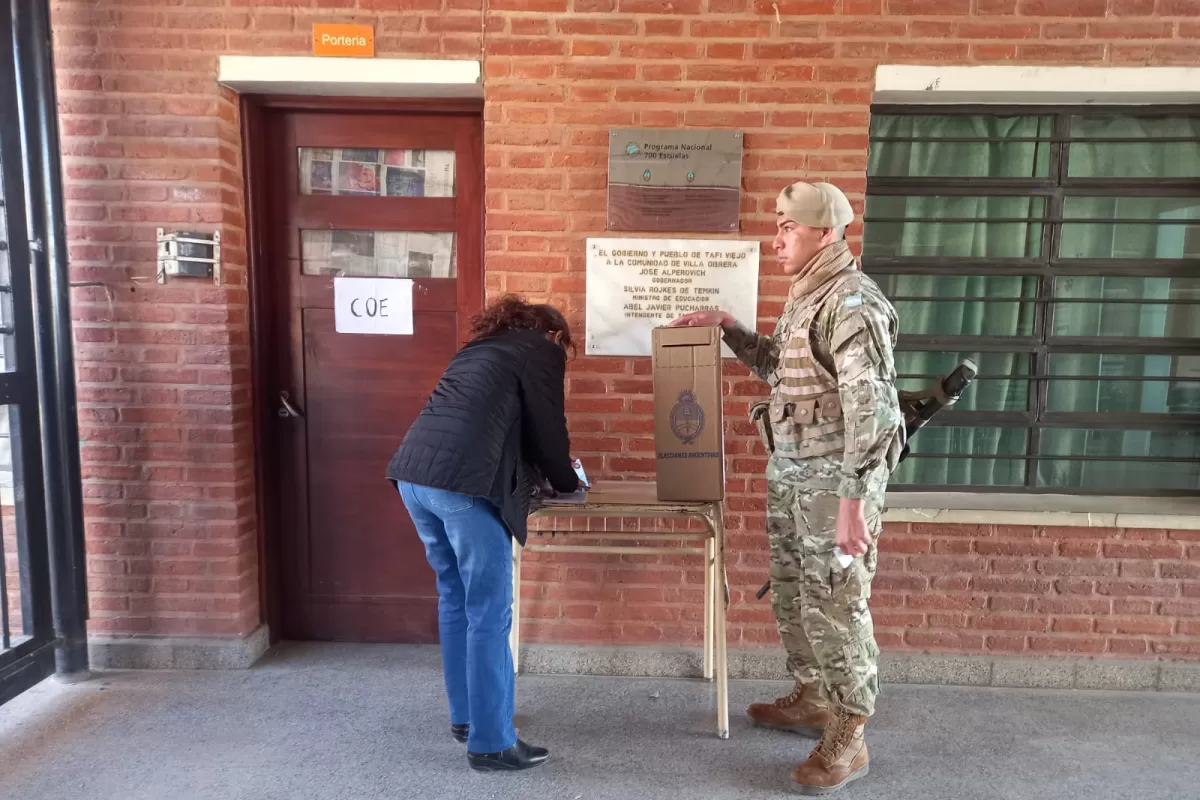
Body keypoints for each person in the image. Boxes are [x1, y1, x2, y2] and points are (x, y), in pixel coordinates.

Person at [672, 181, 903, 795]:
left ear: (825, 233)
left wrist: (855, 501)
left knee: (836, 603)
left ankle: (849, 732)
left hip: (835, 487)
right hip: (796, 479)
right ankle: (813, 698)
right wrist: (730, 329)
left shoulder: (852, 301)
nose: (776, 238)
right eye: (777, 225)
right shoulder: (810, 295)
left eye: (787, 227)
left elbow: (872, 410)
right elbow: (784, 367)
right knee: (796, 595)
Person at [386, 295, 581, 772]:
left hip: (414, 477)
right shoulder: (541, 350)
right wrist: (568, 482)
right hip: (464, 486)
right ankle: (492, 743)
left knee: (455, 598)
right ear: (552, 333)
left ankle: (467, 717)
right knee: (490, 612)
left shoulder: (475, 349)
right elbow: (548, 429)